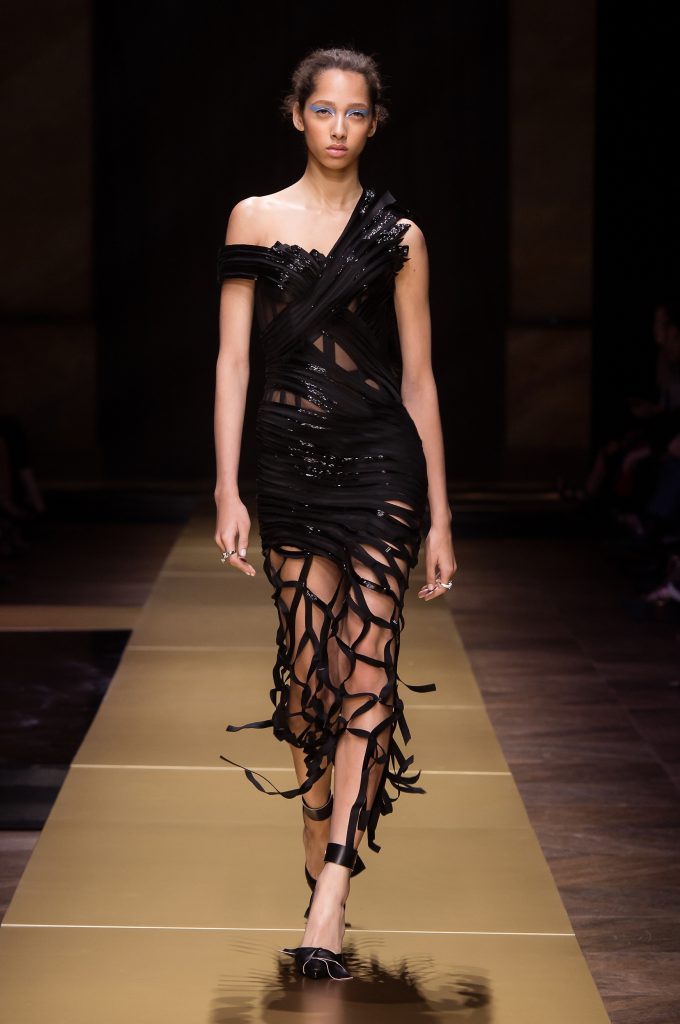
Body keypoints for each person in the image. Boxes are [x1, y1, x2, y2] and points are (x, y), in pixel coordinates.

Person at [213, 46, 457, 981]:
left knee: (366, 668)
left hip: (381, 464)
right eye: (324, 110)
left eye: (356, 113)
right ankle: (318, 818)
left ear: (374, 122)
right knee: (310, 678)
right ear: (297, 114)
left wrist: (441, 515)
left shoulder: (401, 236)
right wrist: (227, 487)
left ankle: (333, 892)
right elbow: (234, 360)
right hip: (286, 467)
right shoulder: (253, 217)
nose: (339, 128)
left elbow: (419, 379)